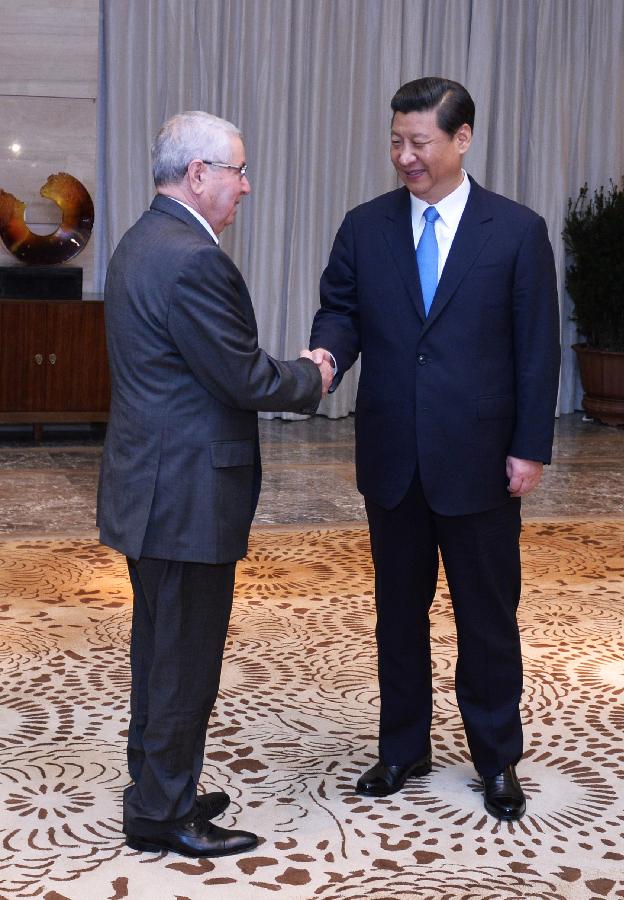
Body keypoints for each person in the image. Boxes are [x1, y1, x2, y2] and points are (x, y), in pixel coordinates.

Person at [310, 77, 560, 821]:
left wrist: (529, 447)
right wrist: (324, 358)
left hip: (481, 460)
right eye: (396, 141)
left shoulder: (516, 231)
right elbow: (341, 310)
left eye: (419, 142)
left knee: (487, 616)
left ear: (462, 139)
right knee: (398, 613)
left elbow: (536, 350)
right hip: (392, 456)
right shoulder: (364, 227)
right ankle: (402, 747)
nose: (405, 157)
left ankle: (496, 759)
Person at [97, 110, 332, 857]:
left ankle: (157, 787)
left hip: (153, 487)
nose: (247, 185)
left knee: (161, 651)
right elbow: (242, 373)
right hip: (185, 496)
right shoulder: (192, 259)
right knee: (183, 662)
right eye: (237, 170)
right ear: (198, 174)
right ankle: (164, 816)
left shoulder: (141, 240)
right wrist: (314, 376)